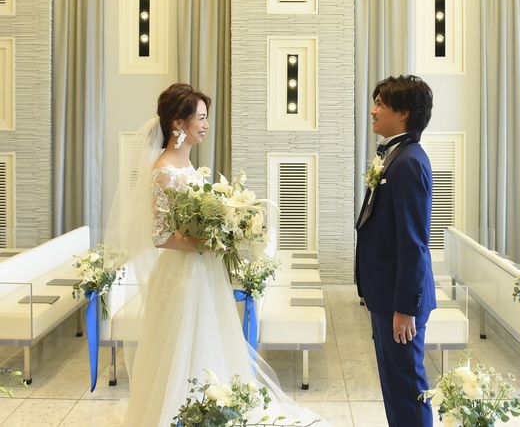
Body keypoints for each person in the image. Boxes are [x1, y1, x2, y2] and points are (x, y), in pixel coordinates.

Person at [105, 83, 326, 427]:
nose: (206, 125)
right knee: (183, 344)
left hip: (204, 271)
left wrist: (228, 229)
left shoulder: (188, 164)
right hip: (182, 276)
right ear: (178, 123)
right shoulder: (163, 172)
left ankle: (216, 408)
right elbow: (161, 237)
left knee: (212, 339)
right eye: (201, 118)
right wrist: (211, 243)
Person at [355, 75, 437, 427]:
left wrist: (405, 308)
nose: (373, 111)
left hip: (399, 301)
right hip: (385, 294)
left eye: (380, 105)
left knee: (407, 387)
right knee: (395, 384)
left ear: (403, 113)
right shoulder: (395, 156)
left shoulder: (408, 163)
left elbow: (414, 242)